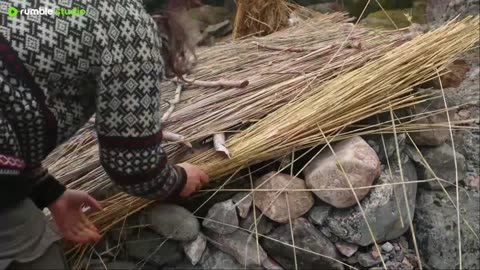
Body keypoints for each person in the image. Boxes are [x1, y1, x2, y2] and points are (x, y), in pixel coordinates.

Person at [0, 0, 209, 269]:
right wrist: (178, 180)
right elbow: (133, 167)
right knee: (34, 254)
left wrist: (49, 192)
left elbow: (15, 112)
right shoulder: (126, 23)